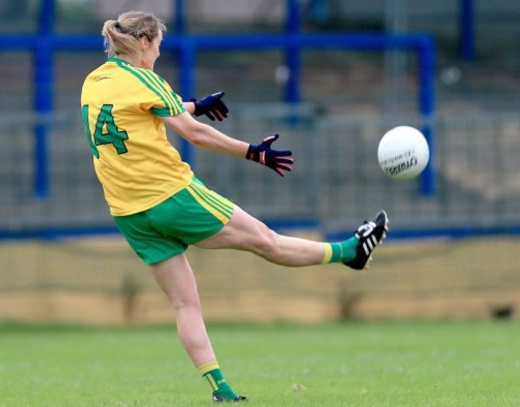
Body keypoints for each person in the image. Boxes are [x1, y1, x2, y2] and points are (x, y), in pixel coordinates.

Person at [80, 10, 389, 403]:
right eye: (157, 46)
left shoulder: (94, 81)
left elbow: (129, 115)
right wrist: (253, 152)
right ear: (143, 42)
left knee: (184, 303)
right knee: (267, 242)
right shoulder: (146, 78)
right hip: (171, 196)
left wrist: (189, 104)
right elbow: (190, 134)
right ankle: (350, 252)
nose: (157, 53)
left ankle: (221, 390)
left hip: (129, 212)